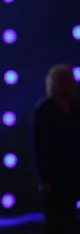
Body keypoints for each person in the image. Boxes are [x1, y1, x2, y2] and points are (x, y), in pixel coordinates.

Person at [32, 64, 80, 234]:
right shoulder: (45, 110)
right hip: (54, 176)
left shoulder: (75, 109)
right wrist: (44, 178)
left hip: (73, 174)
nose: (74, 85)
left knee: (71, 218)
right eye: (69, 82)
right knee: (56, 221)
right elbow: (40, 146)